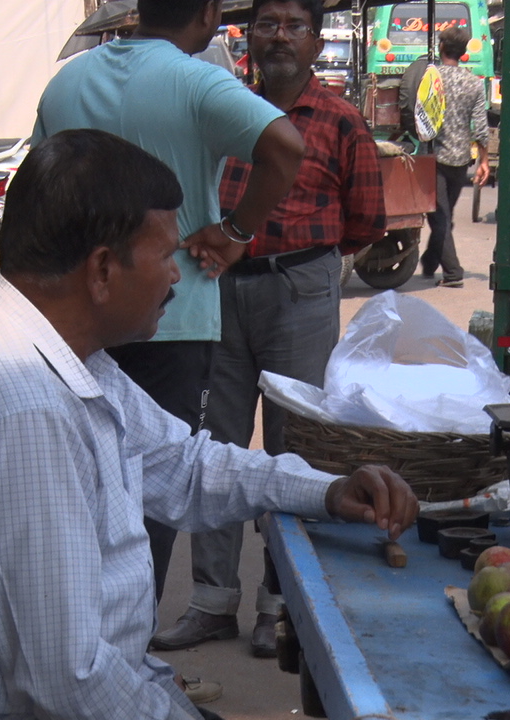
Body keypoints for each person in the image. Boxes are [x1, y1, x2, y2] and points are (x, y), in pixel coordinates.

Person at [0, 129, 419, 720]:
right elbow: (70, 680)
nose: (177, 276)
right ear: (101, 270)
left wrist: (323, 489)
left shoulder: (66, 354)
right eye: (165, 256)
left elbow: (182, 465)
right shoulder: (20, 410)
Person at [30, 0, 304, 635]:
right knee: (152, 495)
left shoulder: (68, 80)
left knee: (74, 489)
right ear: (208, 12)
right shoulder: (197, 78)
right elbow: (284, 146)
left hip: (79, 317)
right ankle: (122, 652)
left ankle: (88, 650)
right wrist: (236, 230)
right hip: (170, 318)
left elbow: (37, 183)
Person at [151, 0, 386, 659]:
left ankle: (282, 606)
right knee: (213, 444)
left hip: (300, 290)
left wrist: (306, 258)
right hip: (217, 287)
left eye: (293, 25)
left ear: (317, 41)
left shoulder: (341, 119)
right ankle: (212, 602)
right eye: (266, 24)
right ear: (246, 36)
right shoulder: (223, 105)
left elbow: (367, 221)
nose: (278, 36)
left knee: (295, 449)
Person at [421, 25, 491, 288]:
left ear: (441, 48)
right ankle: (429, 262)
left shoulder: (432, 77)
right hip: (461, 159)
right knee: (444, 217)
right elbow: (481, 128)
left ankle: (453, 273)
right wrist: (484, 161)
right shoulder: (473, 83)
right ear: (463, 53)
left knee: (439, 218)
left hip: (435, 158)